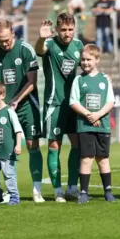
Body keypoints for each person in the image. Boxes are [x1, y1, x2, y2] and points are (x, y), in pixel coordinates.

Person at [0, 20, 44, 202]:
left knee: (32, 145)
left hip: (26, 105)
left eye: (7, 39)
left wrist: (16, 100)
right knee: (5, 150)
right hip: (4, 110)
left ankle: (36, 189)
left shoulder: (25, 49)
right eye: (0, 40)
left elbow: (32, 82)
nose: (4, 43)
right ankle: (10, 192)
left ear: (13, 33)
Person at [34, 14, 84, 202]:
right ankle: (57, 191)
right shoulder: (50, 44)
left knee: (77, 144)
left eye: (70, 30)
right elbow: (39, 50)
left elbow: (88, 67)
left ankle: (72, 187)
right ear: (57, 28)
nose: (67, 33)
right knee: (54, 145)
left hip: (74, 104)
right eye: (63, 30)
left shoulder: (78, 45)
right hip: (54, 103)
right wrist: (41, 37)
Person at [69, 44, 116, 204]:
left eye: (89, 59)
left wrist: (98, 115)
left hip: (102, 125)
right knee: (86, 159)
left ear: (97, 60)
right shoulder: (78, 80)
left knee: (103, 159)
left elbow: (110, 101)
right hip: (85, 126)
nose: (85, 62)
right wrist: (89, 115)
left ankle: (108, 192)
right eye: (82, 59)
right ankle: (83, 192)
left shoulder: (104, 79)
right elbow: (73, 102)